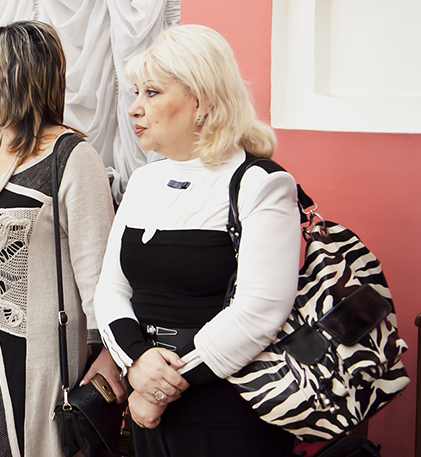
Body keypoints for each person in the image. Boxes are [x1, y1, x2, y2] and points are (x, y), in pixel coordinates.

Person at [93, 24, 300, 456]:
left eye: (151, 93)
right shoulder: (144, 180)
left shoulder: (260, 183)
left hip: (226, 408)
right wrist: (136, 363)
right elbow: (111, 289)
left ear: (202, 100)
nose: (134, 108)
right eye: (136, 93)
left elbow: (259, 313)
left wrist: (158, 389)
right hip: (147, 394)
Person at [0, 20, 123, 457]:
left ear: (12, 78)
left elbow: (99, 273)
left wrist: (108, 354)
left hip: (44, 352)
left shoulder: (72, 157)